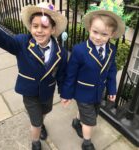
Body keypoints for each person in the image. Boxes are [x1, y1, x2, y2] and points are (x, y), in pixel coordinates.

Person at [0, 2, 67, 150]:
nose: (39, 30)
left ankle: (41, 123)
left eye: (44, 26)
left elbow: (62, 74)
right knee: (35, 122)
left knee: (45, 112)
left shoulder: (60, 52)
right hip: (29, 92)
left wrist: (64, 93)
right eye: (35, 26)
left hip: (47, 92)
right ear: (30, 27)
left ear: (53, 29)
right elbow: (2, 39)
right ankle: (35, 141)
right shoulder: (21, 43)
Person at [61, 0, 125, 150]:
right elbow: (70, 74)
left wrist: (112, 89)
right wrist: (66, 94)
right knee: (90, 120)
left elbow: (111, 69)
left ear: (112, 34)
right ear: (89, 28)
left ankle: (76, 122)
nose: (98, 37)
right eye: (95, 32)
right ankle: (87, 143)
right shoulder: (79, 50)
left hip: (98, 92)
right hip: (82, 92)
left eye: (104, 34)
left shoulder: (111, 49)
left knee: (90, 113)